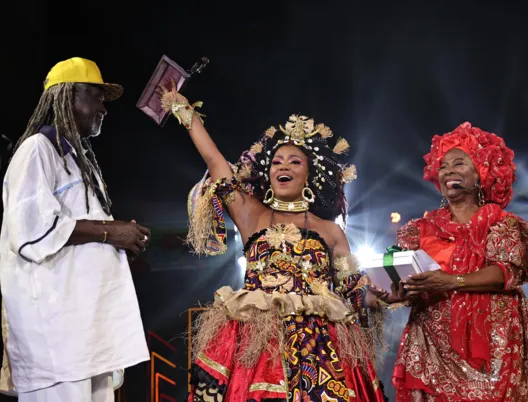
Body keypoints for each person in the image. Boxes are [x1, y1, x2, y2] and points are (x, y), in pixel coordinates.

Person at [157, 84, 386, 402]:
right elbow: (215, 161)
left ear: (309, 175)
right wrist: (185, 111)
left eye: (295, 162)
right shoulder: (252, 215)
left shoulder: (330, 231)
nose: (284, 167)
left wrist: (387, 295)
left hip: (319, 351)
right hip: (258, 346)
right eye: (278, 162)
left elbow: (356, 292)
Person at [0, 57, 151, 401]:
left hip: (87, 335)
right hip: (56, 337)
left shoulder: (79, 160)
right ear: (69, 97)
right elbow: (30, 230)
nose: (104, 109)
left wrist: (118, 237)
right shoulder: (38, 149)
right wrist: (112, 232)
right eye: (97, 97)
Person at [372, 122, 528, 401]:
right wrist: (394, 294)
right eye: (443, 166)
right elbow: (405, 276)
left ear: (482, 173)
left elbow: (506, 273)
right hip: (431, 344)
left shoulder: (505, 224)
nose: (448, 170)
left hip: (493, 344)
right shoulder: (418, 229)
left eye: (459, 163)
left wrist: (452, 281)